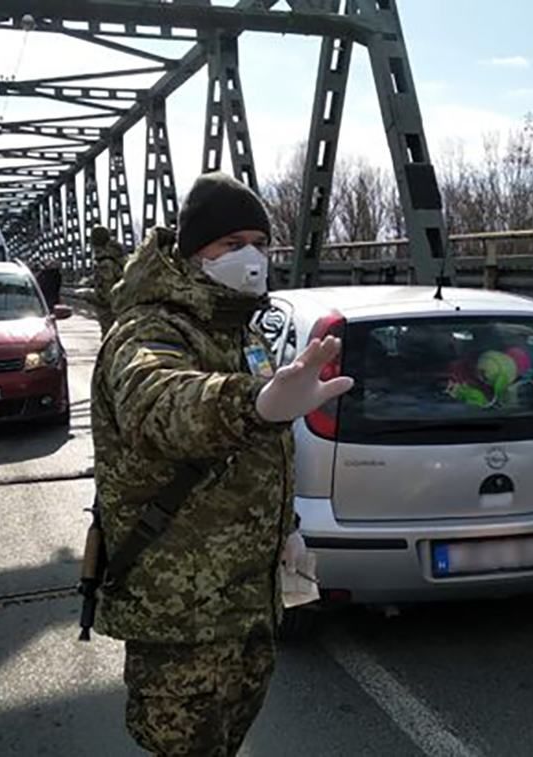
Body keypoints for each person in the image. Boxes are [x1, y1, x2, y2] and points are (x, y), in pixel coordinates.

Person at [90, 171, 353, 755]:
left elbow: (256, 453)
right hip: (181, 610)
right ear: (193, 252)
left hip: (243, 600)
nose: (251, 257)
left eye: (259, 243)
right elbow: (157, 404)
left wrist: (286, 529)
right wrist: (253, 402)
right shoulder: (151, 327)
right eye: (231, 245)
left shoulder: (237, 326)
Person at [89, 225, 125, 336]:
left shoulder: (104, 262)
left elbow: (107, 295)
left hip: (110, 313)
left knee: (110, 341)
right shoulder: (114, 256)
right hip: (120, 307)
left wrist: (89, 295)